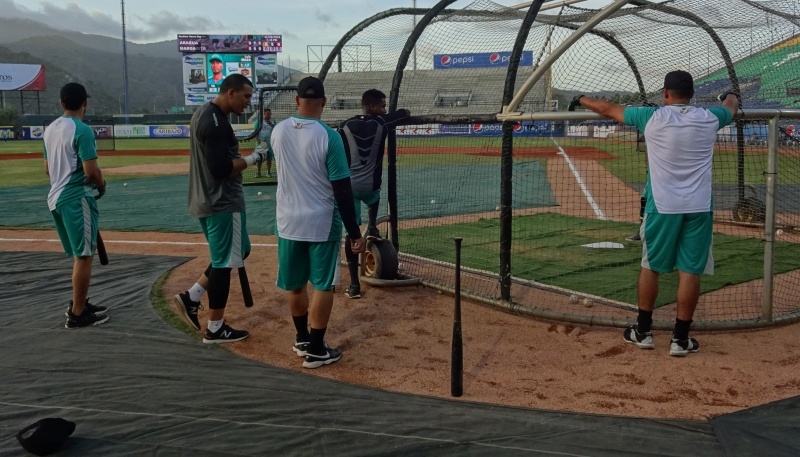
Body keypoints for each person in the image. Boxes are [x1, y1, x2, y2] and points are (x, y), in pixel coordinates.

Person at [569, 70, 739, 357]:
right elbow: (731, 107)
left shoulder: (652, 117)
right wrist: (730, 95)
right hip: (698, 206)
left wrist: (580, 98)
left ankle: (643, 331)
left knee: (652, 266)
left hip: (662, 206)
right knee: (690, 271)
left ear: (666, 94)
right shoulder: (709, 116)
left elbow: (607, 108)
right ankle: (680, 339)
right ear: (692, 94)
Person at [270, 76, 365, 368]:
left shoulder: (278, 131)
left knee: (295, 284)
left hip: (287, 221)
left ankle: (301, 339)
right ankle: (316, 349)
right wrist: (354, 232)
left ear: (296, 101)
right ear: (323, 102)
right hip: (321, 222)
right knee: (323, 285)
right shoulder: (329, 135)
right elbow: (341, 189)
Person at [172, 73, 263, 344]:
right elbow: (221, 169)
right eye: (246, 96)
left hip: (208, 199)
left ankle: (193, 296)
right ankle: (215, 327)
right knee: (224, 264)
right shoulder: (217, 124)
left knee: (240, 250)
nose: (248, 102)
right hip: (222, 201)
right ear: (231, 93)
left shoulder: (205, 114)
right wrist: (255, 158)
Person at [44, 82, 109, 329]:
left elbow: (47, 169)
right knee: (84, 256)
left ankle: (78, 303)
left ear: (61, 102)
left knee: (80, 255)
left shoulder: (50, 129)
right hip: (76, 197)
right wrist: (101, 186)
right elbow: (91, 171)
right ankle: (77, 313)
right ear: (85, 103)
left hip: (56, 198)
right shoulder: (82, 130)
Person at [338, 89, 411, 299]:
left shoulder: (344, 125)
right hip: (371, 187)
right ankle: (371, 226)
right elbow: (405, 112)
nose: (384, 109)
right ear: (371, 106)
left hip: (349, 187)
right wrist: (392, 114)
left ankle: (353, 285)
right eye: (381, 105)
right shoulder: (383, 123)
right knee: (374, 198)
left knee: (350, 234)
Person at [254, 108, 276, 177]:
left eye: (270, 114)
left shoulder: (273, 121)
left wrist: (272, 125)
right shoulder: (259, 122)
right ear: (264, 114)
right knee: (259, 158)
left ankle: (268, 172)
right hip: (261, 143)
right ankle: (258, 172)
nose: (269, 115)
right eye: (267, 114)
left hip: (269, 143)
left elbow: (276, 129)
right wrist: (259, 141)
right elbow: (255, 132)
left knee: (269, 158)